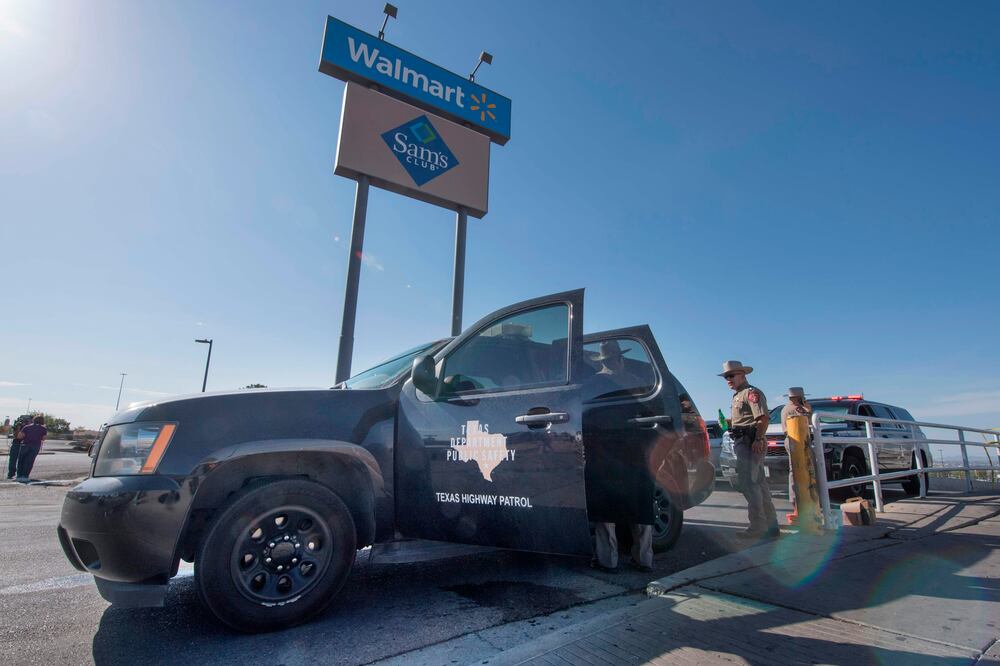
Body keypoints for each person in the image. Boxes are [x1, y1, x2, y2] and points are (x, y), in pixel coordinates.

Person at [586, 340, 655, 572]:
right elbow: (650, 417)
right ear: (619, 358)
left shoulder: (594, 384)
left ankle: (608, 560)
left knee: (606, 510)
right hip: (635, 452)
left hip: (606, 453)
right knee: (640, 506)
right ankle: (643, 558)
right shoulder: (637, 383)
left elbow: (587, 419)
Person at [720, 360, 779, 540]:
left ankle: (758, 526)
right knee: (758, 483)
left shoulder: (751, 393)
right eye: (726, 377)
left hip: (749, 441)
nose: (728, 379)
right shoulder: (738, 395)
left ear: (742, 375)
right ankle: (770, 525)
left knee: (749, 483)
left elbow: (762, 418)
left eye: (731, 376)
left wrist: (759, 438)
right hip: (743, 439)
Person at [781, 387, 813, 505]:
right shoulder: (793, 409)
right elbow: (806, 421)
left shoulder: (788, 408)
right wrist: (808, 410)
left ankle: (801, 495)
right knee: (795, 468)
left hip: (798, 439)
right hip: (795, 439)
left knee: (800, 468)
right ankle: (795, 497)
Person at [15, 415, 47, 483]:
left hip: (25, 445)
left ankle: (19, 476)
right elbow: (43, 438)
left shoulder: (27, 427)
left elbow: (20, 436)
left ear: (34, 420)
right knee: (29, 461)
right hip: (35, 446)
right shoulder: (43, 428)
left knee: (21, 460)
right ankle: (25, 476)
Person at [6, 415, 28, 480]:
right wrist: (18, 428)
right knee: (13, 460)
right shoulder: (17, 426)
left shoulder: (27, 427)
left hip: (23, 444)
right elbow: (16, 435)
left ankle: (18, 474)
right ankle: (11, 474)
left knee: (21, 460)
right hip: (17, 443)